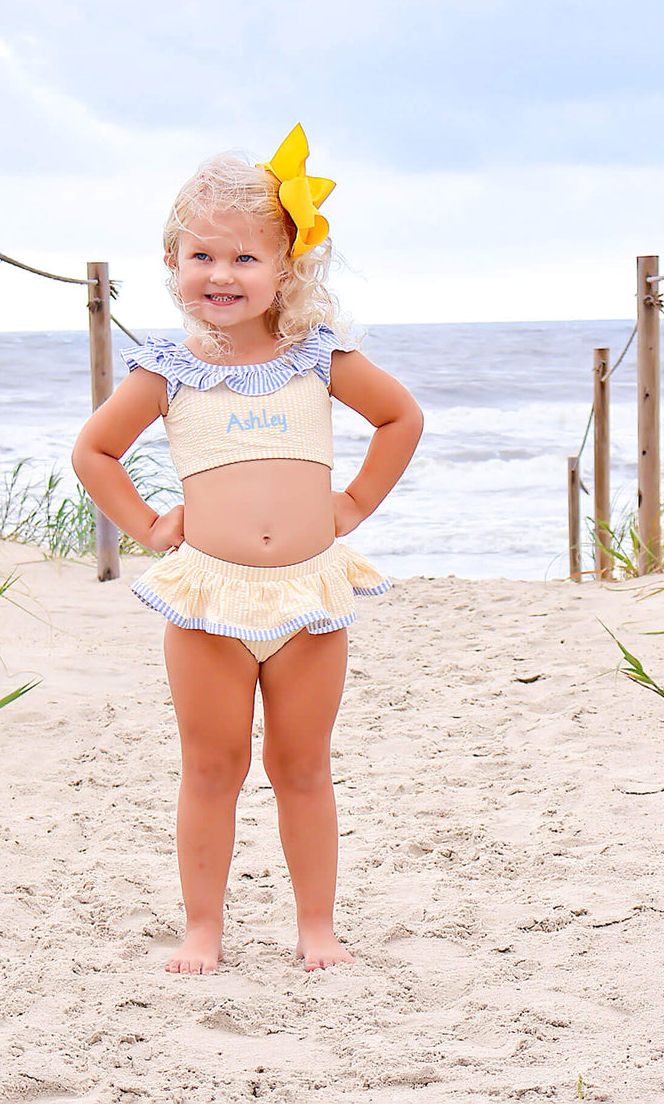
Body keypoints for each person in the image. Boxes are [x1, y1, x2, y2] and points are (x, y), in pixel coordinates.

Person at [72, 125, 423, 973]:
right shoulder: (168, 369)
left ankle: (316, 928)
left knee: (301, 765)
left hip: (309, 598)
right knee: (213, 766)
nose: (220, 276)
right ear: (173, 263)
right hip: (208, 604)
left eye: (244, 260)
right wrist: (151, 526)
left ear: (287, 269)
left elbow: (400, 419)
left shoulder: (320, 356)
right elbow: (94, 453)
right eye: (202, 257)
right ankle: (203, 928)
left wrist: (350, 506)